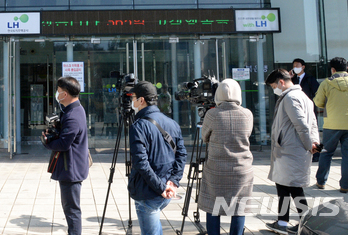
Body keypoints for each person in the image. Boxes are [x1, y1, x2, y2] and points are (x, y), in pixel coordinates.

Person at [127, 81, 187, 235]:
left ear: (141, 100)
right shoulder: (172, 123)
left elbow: (141, 163)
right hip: (166, 189)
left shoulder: (138, 126)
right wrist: (173, 181)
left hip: (149, 192)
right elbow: (182, 155)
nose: (131, 101)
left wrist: (162, 187)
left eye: (133, 97)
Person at [265, 69, 319, 234]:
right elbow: (313, 123)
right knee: (284, 186)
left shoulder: (290, 97)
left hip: (291, 149)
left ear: (281, 82)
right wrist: (314, 141)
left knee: (293, 188)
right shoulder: (303, 97)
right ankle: (283, 222)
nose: (274, 89)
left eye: (274, 85)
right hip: (292, 149)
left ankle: (305, 224)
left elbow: (302, 125)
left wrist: (309, 144)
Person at [198, 79, 253, 235]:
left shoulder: (212, 114)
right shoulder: (247, 114)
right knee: (239, 207)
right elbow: (247, 134)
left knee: (213, 206)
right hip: (242, 168)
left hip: (216, 168)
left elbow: (205, 137)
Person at [41, 76, 89, 235]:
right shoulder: (73, 109)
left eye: (59, 91)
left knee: (72, 209)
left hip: (71, 170)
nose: (57, 94)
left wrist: (47, 142)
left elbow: (64, 144)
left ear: (66, 94)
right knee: (70, 208)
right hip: (72, 166)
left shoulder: (73, 114)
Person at [313, 57, 348, 193]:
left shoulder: (326, 84)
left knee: (325, 152)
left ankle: (321, 181)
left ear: (332, 69)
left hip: (331, 124)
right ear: (347, 68)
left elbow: (318, 102)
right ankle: (345, 186)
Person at [290, 58, 320, 162]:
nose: (295, 68)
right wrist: (289, 78)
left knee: (312, 130)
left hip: (308, 108)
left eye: (297, 65)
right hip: (296, 108)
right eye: (294, 66)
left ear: (303, 67)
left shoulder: (310, 79)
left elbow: (317, 92)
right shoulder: (292, 80)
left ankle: (316, 154)